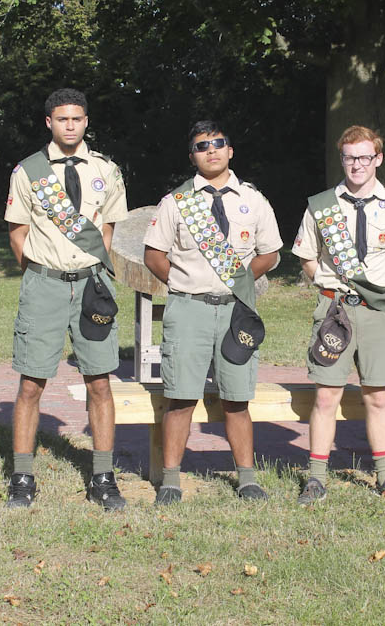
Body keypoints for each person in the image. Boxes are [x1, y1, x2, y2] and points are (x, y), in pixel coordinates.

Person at [143, 120, 283, 504]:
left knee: (237, 398)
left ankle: (247, 479)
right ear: (193, 155)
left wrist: (241, 277)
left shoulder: (253, 201)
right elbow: (153, 254)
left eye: (219, 143)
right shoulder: (176, 202)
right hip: (190, 309)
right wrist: (183, 280)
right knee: (181, 396)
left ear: (231, 150)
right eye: (202, 146)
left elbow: (270, 252)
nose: (212, 150)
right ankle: (171, 480)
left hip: (236, 310)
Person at [4, 88, 129, 510]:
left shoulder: (107, 171)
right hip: (44, 285)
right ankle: (22, 476)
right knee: (31, 382)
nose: (70, 126)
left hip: (93, 285)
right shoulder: (28, 172)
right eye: (62, 119)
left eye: (77, 119)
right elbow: (17, 233)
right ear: (49, 123)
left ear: (86, 121)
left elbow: (107, 229)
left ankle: (103, 476)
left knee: (99, 380)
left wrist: (88, 267)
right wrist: (45, 273)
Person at [291, 125, 385, 504]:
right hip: (334, 310)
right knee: (326, 395)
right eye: (349, 157)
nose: (356, 165)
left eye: (364, 157)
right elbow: (306, 256)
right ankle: (316, 477)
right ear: (342, 159)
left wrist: (380, 285)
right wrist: (329, 285)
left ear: (377, 159)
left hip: (377, 312)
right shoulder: (322, 206)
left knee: (378, 396)